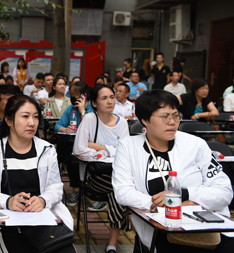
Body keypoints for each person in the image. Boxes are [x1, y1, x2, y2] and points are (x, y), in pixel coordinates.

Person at [112, 90, 234, 253]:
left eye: (176, 115)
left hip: (207, 228)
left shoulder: (196, 144)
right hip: (163, 230)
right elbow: (123, 192)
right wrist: (171, 206)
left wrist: (186, 195)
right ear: (144, 120)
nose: (172, 122)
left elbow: (224, 192)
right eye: (165, 116)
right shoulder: (128, 147)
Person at [0, 95, 74, 253]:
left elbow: (56, 187)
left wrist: (42, 200)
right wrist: (8, 202)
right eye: (25, 116)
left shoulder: (47, 150)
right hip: (7, 225)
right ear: (9, 120)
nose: (32, 123)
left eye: (35, 117)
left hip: (43, 222)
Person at [73, 84, 130, 253]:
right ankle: (126, 237)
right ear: (95, 103)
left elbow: (125, 152)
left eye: (112, 97)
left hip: (116, 174)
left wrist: (98, 148)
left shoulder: (123, 123)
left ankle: (112, 243)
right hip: (95, 177)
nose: (110, 101)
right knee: (121, 189)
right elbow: (78, 149)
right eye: (104, 98)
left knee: (118, 189)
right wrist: (110, 151)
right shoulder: (90, 119)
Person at [55, 81, 94, 207]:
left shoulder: (93, 108)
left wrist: (82, 111)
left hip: (92, 144)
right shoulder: (71, 108)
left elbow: (91, 128)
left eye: (75, 95)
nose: (73, 97)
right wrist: (65, 129)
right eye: (71, 94)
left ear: (84, 95)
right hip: (74, 144)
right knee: (72, 158)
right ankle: (76, 190)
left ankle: (94, 190)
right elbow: (58, 125)